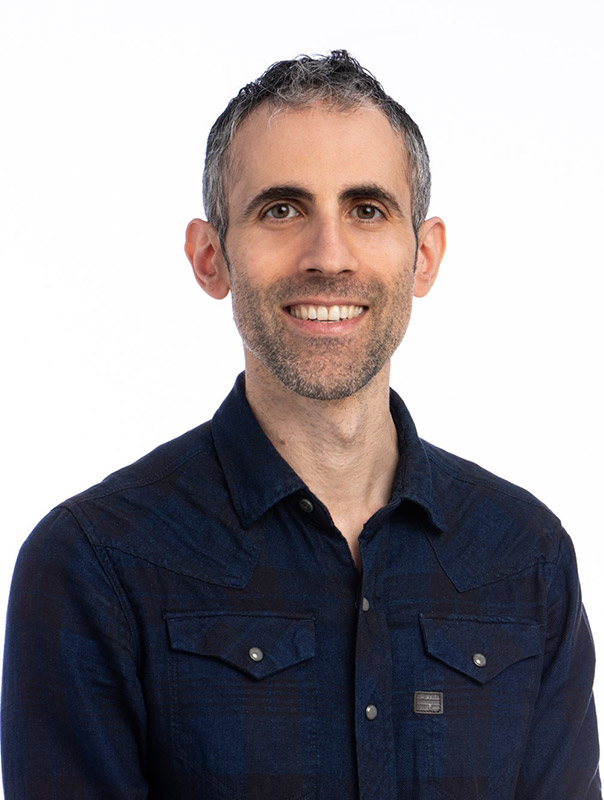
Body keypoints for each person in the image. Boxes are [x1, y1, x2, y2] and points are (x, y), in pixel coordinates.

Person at [1, 50, 600, 799]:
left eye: (367, 209)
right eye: (281, 210)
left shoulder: (526, 558)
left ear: (424, 256)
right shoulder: (93, 566)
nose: (329, 256)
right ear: (211, 257)